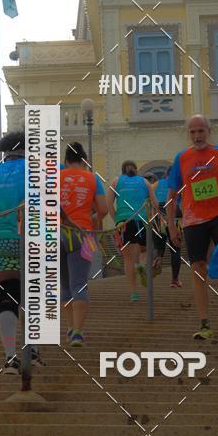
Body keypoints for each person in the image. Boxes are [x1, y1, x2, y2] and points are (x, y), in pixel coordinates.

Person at [0, 132, 45, 374]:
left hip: (0, 240)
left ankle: (11, 357)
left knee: (6, 297)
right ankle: (32, 351)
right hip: (33, 239)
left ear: (5, 150)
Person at [166, 115, 218, 340]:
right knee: (198, 267)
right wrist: (170, 226)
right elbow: (172, 195)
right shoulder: (182, 158)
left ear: (209, 131)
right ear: (188, 134)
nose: (197, 136)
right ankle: (204, 323)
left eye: (201, 131)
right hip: (194, 219)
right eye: (192, 132)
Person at [60, 142, 107, 346]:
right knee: (80, 283)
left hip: (55, 235)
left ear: (65, 161)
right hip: (85, 236)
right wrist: (94, 217)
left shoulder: (54, 177)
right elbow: (103, 209)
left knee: (64, 284)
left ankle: (70, 328)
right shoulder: (93, 178)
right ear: (85, 161)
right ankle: (78, 332)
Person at [107, 161, 157, 301]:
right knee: (145, 249)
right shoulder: (144, 182)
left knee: (128, 259)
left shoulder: (116, 181)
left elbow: (108, 202)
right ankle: (141, 264)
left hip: (124, 222)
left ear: (123, 171)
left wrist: (116, 218)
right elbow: (155, 202)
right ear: (136, 170)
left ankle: (134, 292)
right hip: (142, 219)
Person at [150, 169, 183, 289]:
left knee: (158, 247)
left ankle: (158, 259)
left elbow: (150, 200)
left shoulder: (156, 184)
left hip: (159, 214)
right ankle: (175, 280)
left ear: (165, 175)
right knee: (176, 249)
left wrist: (153, 218)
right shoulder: (178, 183)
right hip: (175, 214)